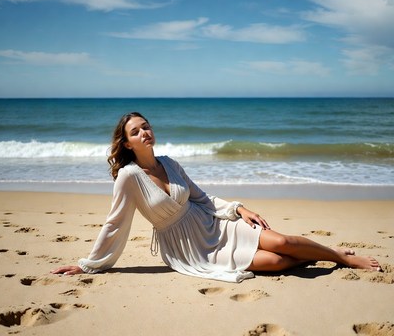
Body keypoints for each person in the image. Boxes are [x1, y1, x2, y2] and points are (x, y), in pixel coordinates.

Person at [52, 112, 381, 282]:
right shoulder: (128, 178)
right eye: (135, 131)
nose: (144, 132)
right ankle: (322, 254)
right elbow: (115, 224)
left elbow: (201, 197)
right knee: (277, 263)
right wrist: (88, 264)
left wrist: (239, 208)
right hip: (189, 247)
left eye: (146, 126)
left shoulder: (169, 163)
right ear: (127, 144)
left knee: (280, 242)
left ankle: (341, 256)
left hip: (213, 224)